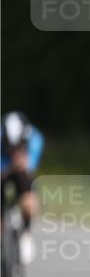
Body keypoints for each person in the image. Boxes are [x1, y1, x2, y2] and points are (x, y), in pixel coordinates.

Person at [0, 111, 45, 264]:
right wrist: (8, 167)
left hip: (22, 169)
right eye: (10, 146)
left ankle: (26, 233)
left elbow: (30, 168)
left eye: (17, 146)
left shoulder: (35, 139)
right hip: (4, 166)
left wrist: (24, 164)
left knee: (29, 194)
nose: (13, 149)